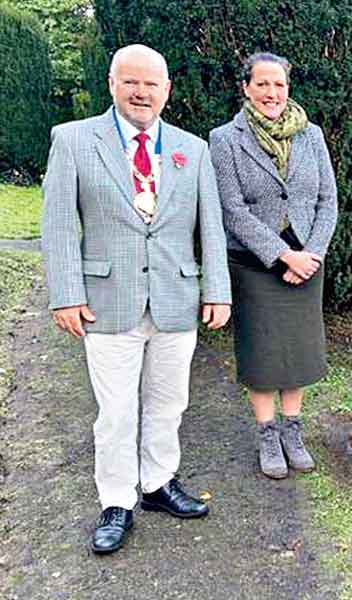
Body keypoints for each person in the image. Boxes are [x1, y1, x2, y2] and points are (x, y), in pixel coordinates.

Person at [41, 44, 232, 554]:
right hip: (107, 302)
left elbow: (210, 227)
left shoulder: (192, 149)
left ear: (167, 90)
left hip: (175, 298)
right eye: (131, 81)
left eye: (151, 83)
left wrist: (217, 290)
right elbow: (58, 225)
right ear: (112, 83)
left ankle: (157, 484)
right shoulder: (75, 140)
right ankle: (117, 501)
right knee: (117, 410)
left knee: (170, 402)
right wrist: (65, 294)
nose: (141, 92)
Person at [209, 52, 338, 480]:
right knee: (263, 350)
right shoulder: (225, 139)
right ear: (246, 88)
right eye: (262, 84)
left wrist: (311, 254)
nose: (271, 93)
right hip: (255, 262)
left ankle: (292, 431)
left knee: (297, 349)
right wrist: (284, 256)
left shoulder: (312, 135)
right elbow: (233, 209)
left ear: (288, 88)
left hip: (307, 258)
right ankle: (268, 434)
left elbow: (327, 201)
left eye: (278, 84)